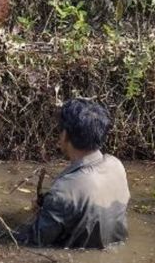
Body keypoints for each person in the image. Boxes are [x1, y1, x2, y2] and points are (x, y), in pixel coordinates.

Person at [15, 98, 130, 249]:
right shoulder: (116, 165)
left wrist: (36, 216)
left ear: (65, 135)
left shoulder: (64, 191)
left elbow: (33, 242)